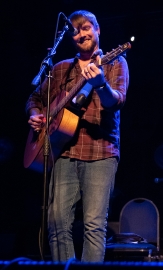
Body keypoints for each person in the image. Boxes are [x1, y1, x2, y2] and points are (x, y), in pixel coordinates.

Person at [25, 10, 129, 262]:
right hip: (63, 153)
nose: (81, 34)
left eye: (86, 28)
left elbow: (115, 102)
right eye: (76, 31)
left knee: (93, 226)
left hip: (100, 152)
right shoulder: (60, 69)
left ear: (97, 29)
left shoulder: (115, 63)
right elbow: (34, 97)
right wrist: (36, 113)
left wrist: (101, 84)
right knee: (57, 224)